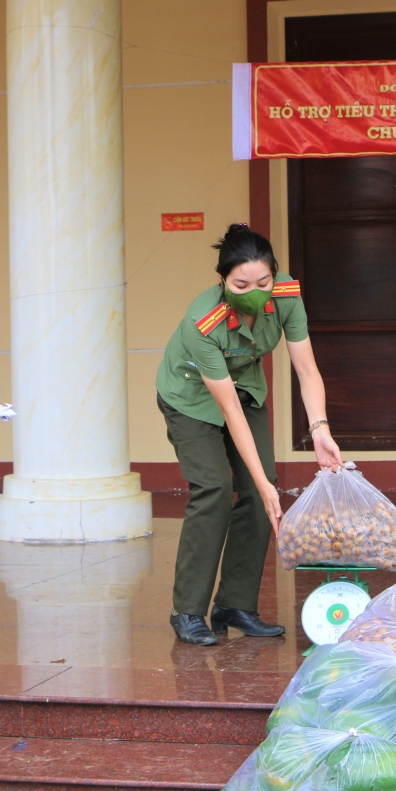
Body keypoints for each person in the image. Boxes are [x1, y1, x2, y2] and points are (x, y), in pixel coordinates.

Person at [156, 224, 342, 645]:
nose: (254, 291)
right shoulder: (203, 322)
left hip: (244, 386)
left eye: (263, 281)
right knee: (215, 487)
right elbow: (228, 412)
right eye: (241, 284)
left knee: (263, 495)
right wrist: (260, 482)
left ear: (275, 275)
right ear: (222, 280)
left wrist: (320, 429)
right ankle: (187, 612)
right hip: (190, 395)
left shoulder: (287, 297)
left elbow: (307, 369)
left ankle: (234, 604)